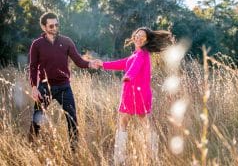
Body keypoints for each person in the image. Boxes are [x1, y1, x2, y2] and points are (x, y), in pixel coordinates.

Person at [97, 27, 173, 164]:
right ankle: (134, 158)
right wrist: (102, 64)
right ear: (133, 36)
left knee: (137, 124)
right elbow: (121, 64)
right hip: (132, 94)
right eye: (137, 35)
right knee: (134, 123)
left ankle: (126, 158)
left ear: (147, 40)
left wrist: (128, 76)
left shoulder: (142, 54)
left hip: (137, 94)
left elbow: (134, 68)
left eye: (142, 37)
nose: (138, 38)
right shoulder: (135, 54)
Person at [28, 12, 99, 151]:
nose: (55, 27)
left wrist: (90, 64)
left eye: (57, 24)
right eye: (51, 25)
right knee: (37, 119)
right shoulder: (37, 45)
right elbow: (33, 67)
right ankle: (30, 147)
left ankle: (74, 151)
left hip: (64, 87)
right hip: (44, 87)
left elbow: (79, 61)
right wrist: (34, 87)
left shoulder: (66, 41)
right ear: (43, 27)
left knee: (72, 120)